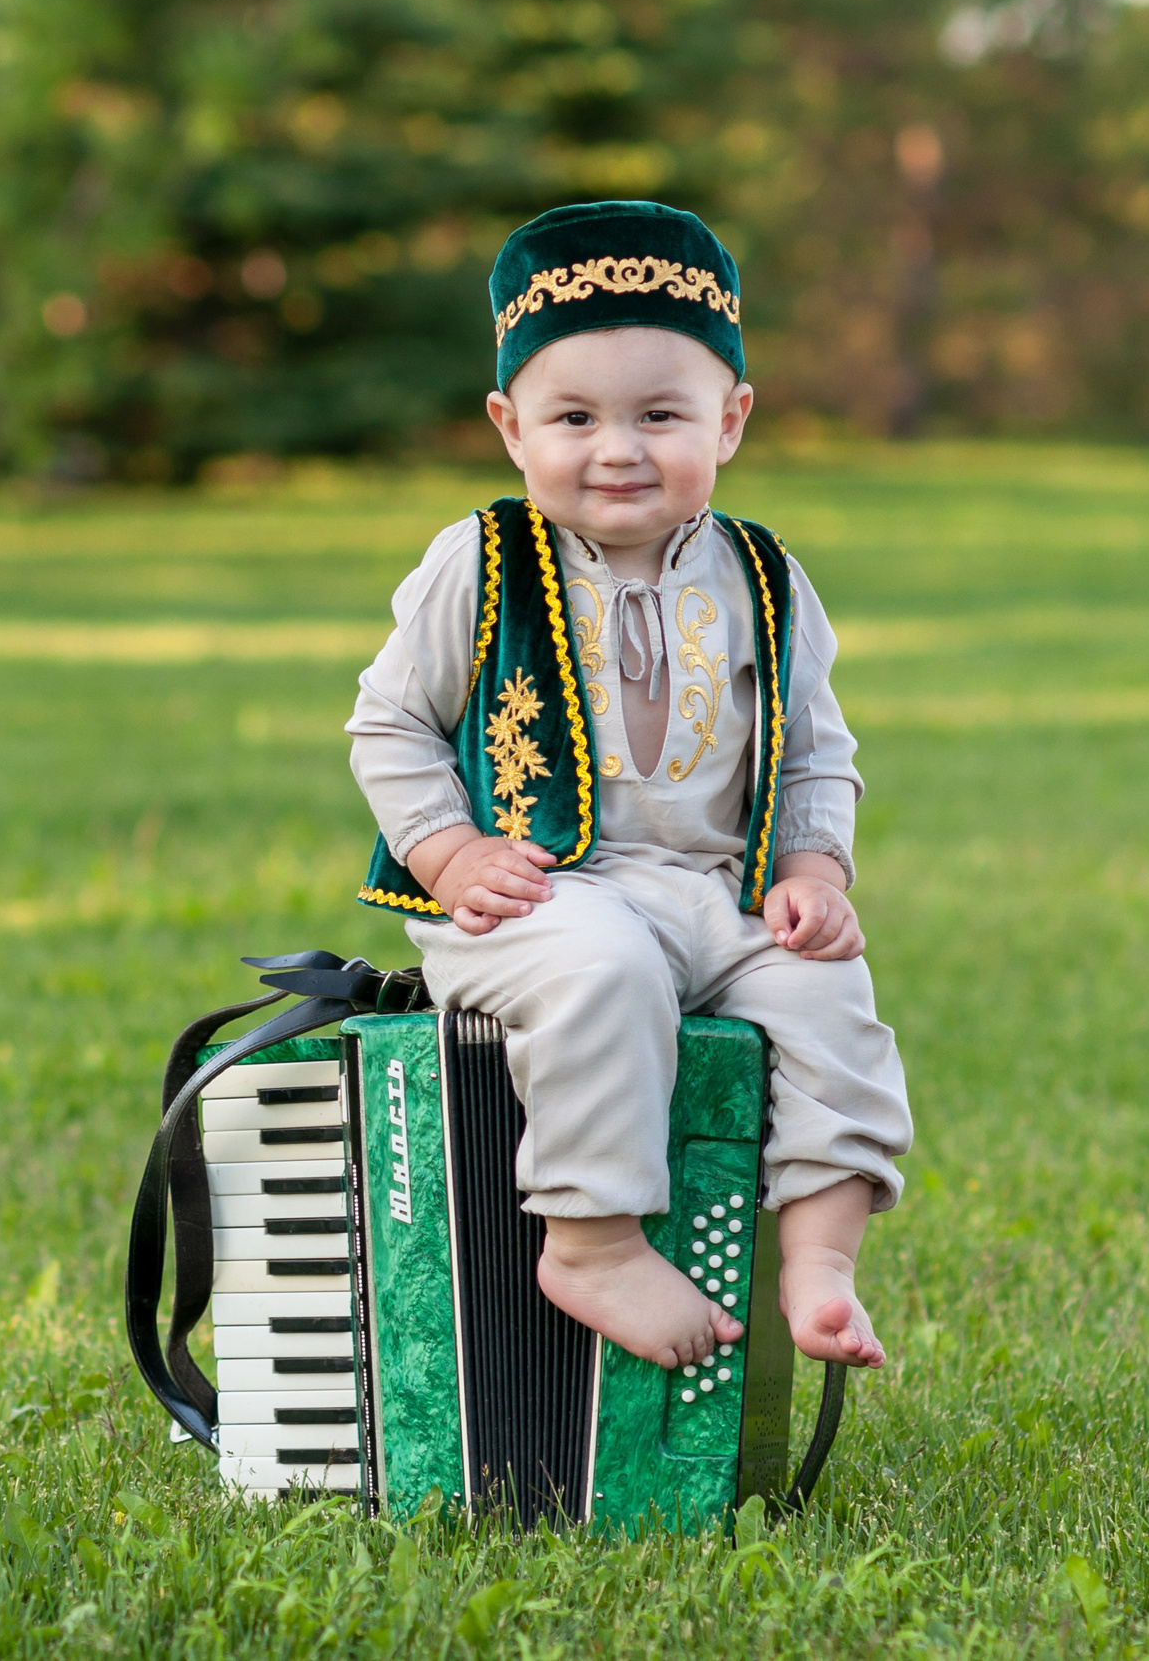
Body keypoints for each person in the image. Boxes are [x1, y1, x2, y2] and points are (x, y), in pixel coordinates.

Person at [347, 200, 911, 1374]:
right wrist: (449, 852)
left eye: (661, 414)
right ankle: (590, 1240)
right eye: (573, 416)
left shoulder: (762, 576)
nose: (617, 448)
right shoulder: (485, 559)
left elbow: (812, 748)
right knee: (599, 967)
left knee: (826, 993)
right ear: (509, 426)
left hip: (718, 891)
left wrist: (810, 868)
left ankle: (816, 1259)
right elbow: (390, 722)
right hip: (540, 897)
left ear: (732, 418)